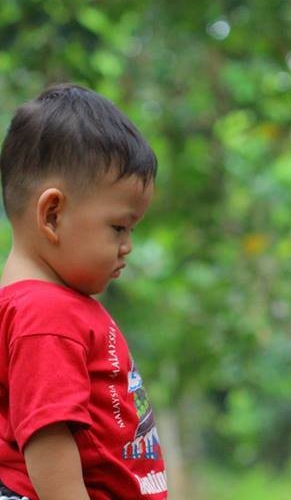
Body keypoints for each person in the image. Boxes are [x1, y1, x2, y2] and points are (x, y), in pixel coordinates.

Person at [0, 84, 166, 499]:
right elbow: (49, 439)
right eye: (118, 227)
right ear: (52, 215)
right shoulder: (44, 316)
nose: (127, 245)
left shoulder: (54, 307)